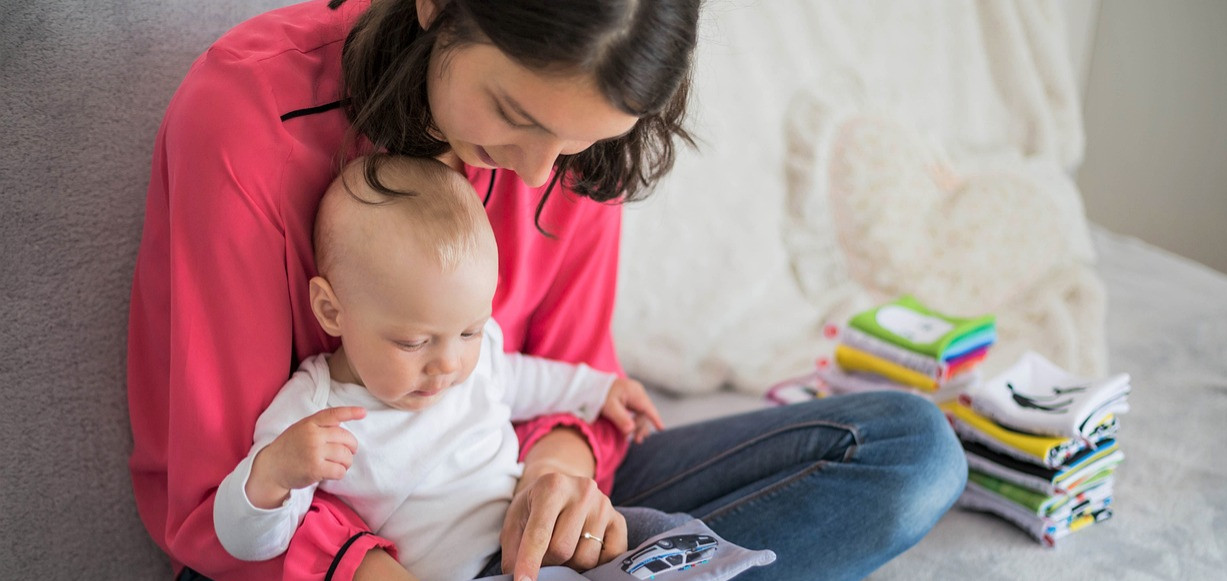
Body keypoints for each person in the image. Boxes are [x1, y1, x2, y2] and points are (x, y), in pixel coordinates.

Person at [127, 0, 968, 580]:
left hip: (505, 503)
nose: (538, 173)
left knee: (912, 452)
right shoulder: (243, 121)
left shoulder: (571, 152)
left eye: (577, 142)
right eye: (514, 114)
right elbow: (220, 492)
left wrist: (557, 478)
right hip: (315, 554)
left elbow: (572, 377)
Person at [212, 155, 666, 580]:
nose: (449, 364)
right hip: (468, 573)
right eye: (414, 342)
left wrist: (599, 389)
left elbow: (526, 379)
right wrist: (273, 475)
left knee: (656, 531)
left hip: (534, 541)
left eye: (470, 331)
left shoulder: (471, 357)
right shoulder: (315, 410)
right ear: (332, 312)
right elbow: (246, 543)